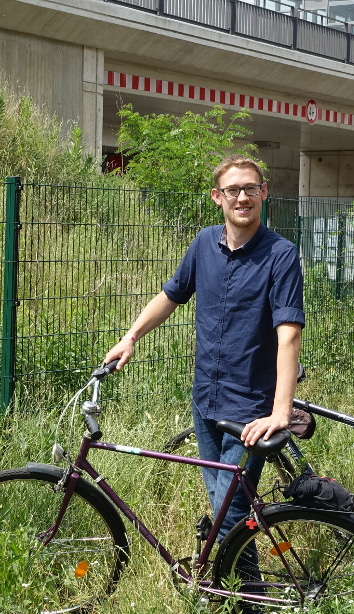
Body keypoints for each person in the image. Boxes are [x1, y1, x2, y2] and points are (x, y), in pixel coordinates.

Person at [103, 155, 305, 545]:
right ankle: (236, 590)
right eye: (233, 190)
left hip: (249, 409)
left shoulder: (281, 255)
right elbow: (171, 295)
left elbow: (289, 334)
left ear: (263, 193)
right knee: (223, 508)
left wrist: (281, 411)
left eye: (250, 188)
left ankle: (246, 598)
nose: (242, 197)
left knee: (228, 517)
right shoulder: (203, 244)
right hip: (205, 401)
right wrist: (130, 337)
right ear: (218, 196)